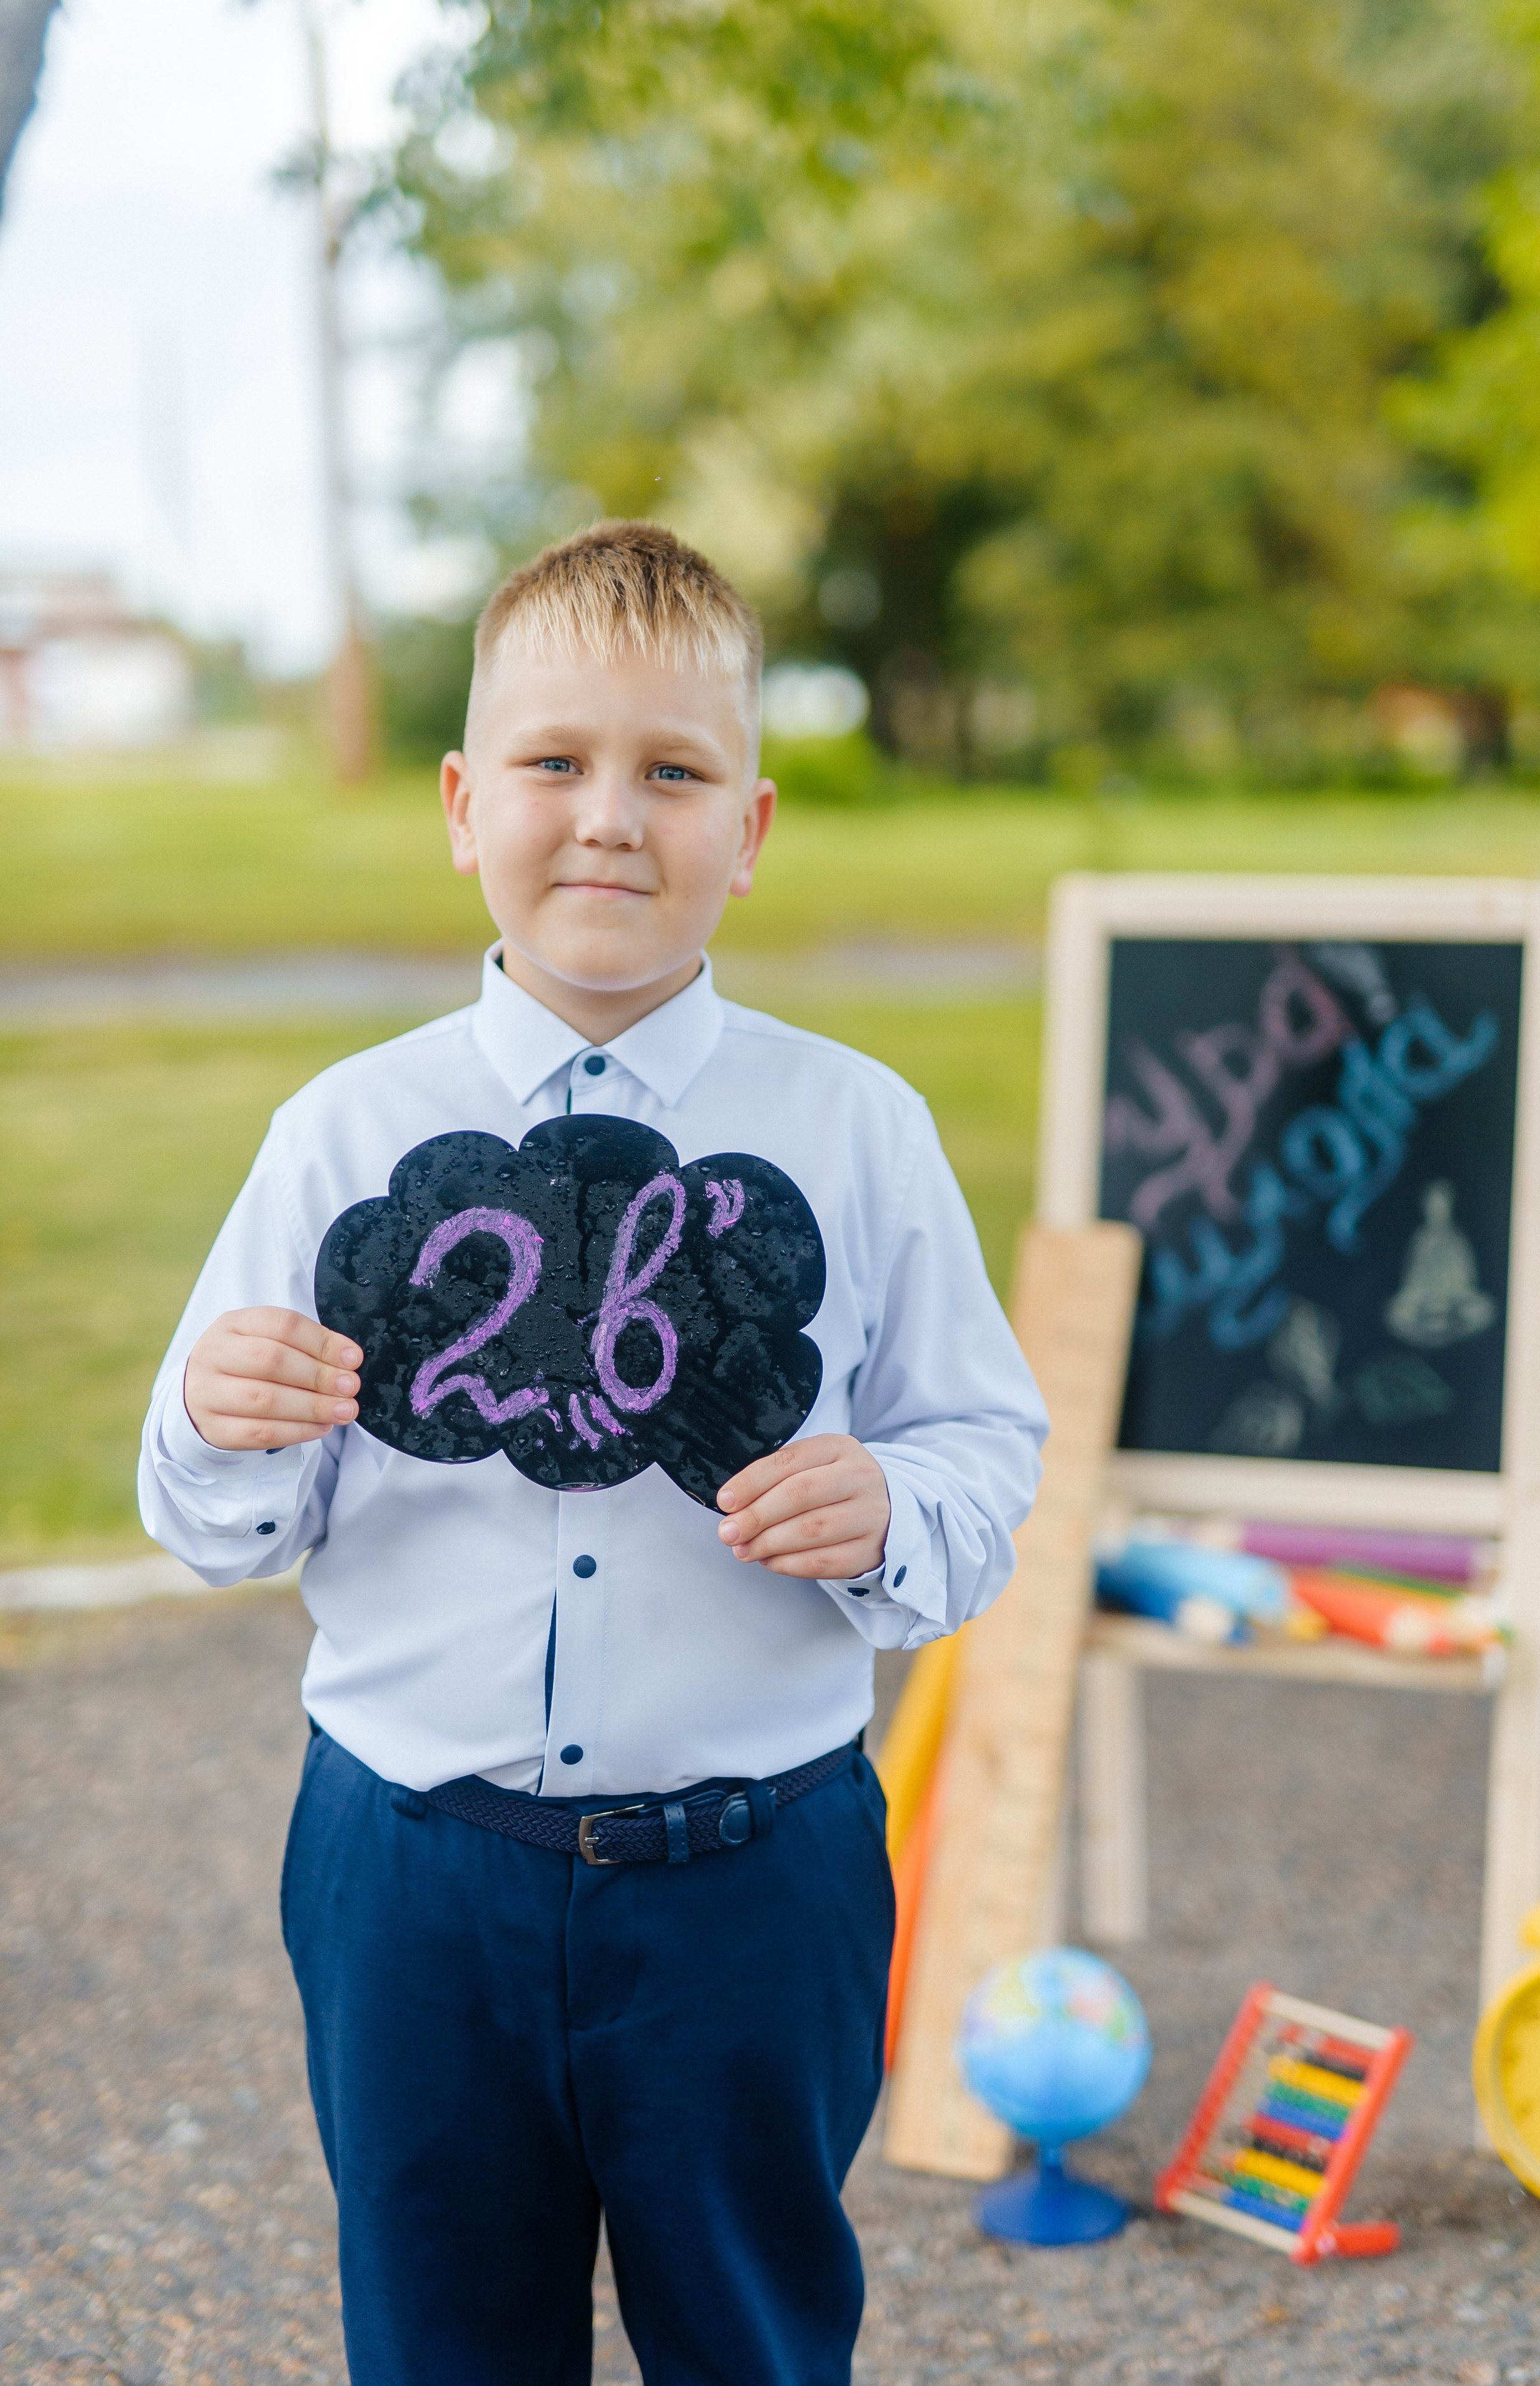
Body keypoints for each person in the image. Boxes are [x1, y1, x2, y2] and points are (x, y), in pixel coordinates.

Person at [138, 520, 1047, 2386]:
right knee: (443, 2332)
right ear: (466, 803)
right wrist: (211, 1420)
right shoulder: (343, 1136)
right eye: (556, 762)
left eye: (674, 771)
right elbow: (221, 1512)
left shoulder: (861, 1131)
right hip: (413, 1866)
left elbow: (983, 1447)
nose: (611, 817)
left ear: (755, 825)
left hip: (756, 1871)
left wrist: (893, 1504)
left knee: (757, 2330)